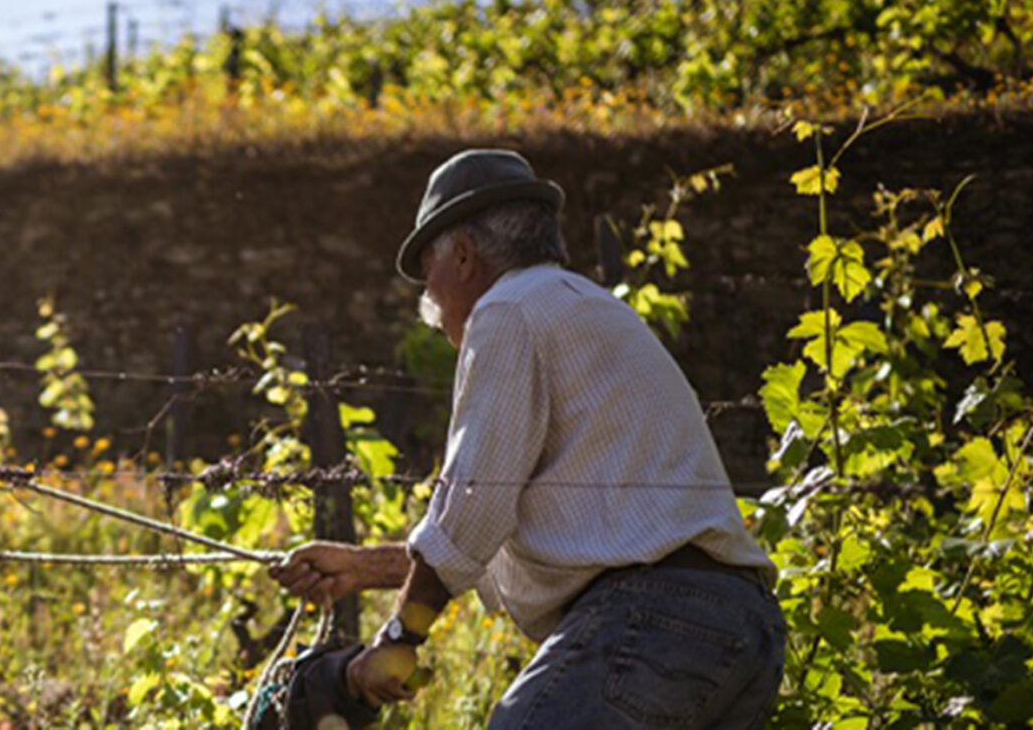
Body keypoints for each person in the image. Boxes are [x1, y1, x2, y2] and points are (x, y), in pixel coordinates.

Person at [268, 149, 785, 729]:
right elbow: (523, 539)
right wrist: (365, 568)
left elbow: (474, 507)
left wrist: (398, 638)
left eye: (428, 273)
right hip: (744, 632)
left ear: (464, 256)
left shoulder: (507, 311)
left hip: (654, 624)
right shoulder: (586, 309)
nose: (427, 301)